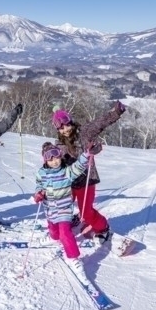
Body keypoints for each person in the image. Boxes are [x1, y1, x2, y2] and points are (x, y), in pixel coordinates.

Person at [52, 101, 126, 243]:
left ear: (71, 122)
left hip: (87, 180)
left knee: (86, 212)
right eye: (61, 128)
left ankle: (103, 227)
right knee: (62, 207)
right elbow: (54, 164)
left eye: (67, 125)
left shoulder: (84, 132)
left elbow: (100, 123)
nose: (65, 130)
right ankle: (68, 222)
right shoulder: (59, 144)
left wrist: (116, 113)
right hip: (69, 182)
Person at [33, 141, 93, 284]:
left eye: (57, 156)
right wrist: (38, 194)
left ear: (60, 155)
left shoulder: (66, 172)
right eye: (50, 158)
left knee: (65, 233)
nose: (54, 161)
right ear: (45, 159)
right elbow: (39, 185)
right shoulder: (41, 173)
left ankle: (74, 258)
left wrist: (87, 154)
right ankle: (53, 238)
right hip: (50, 209)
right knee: (54, 232)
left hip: (64, 209)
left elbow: (78, 166)